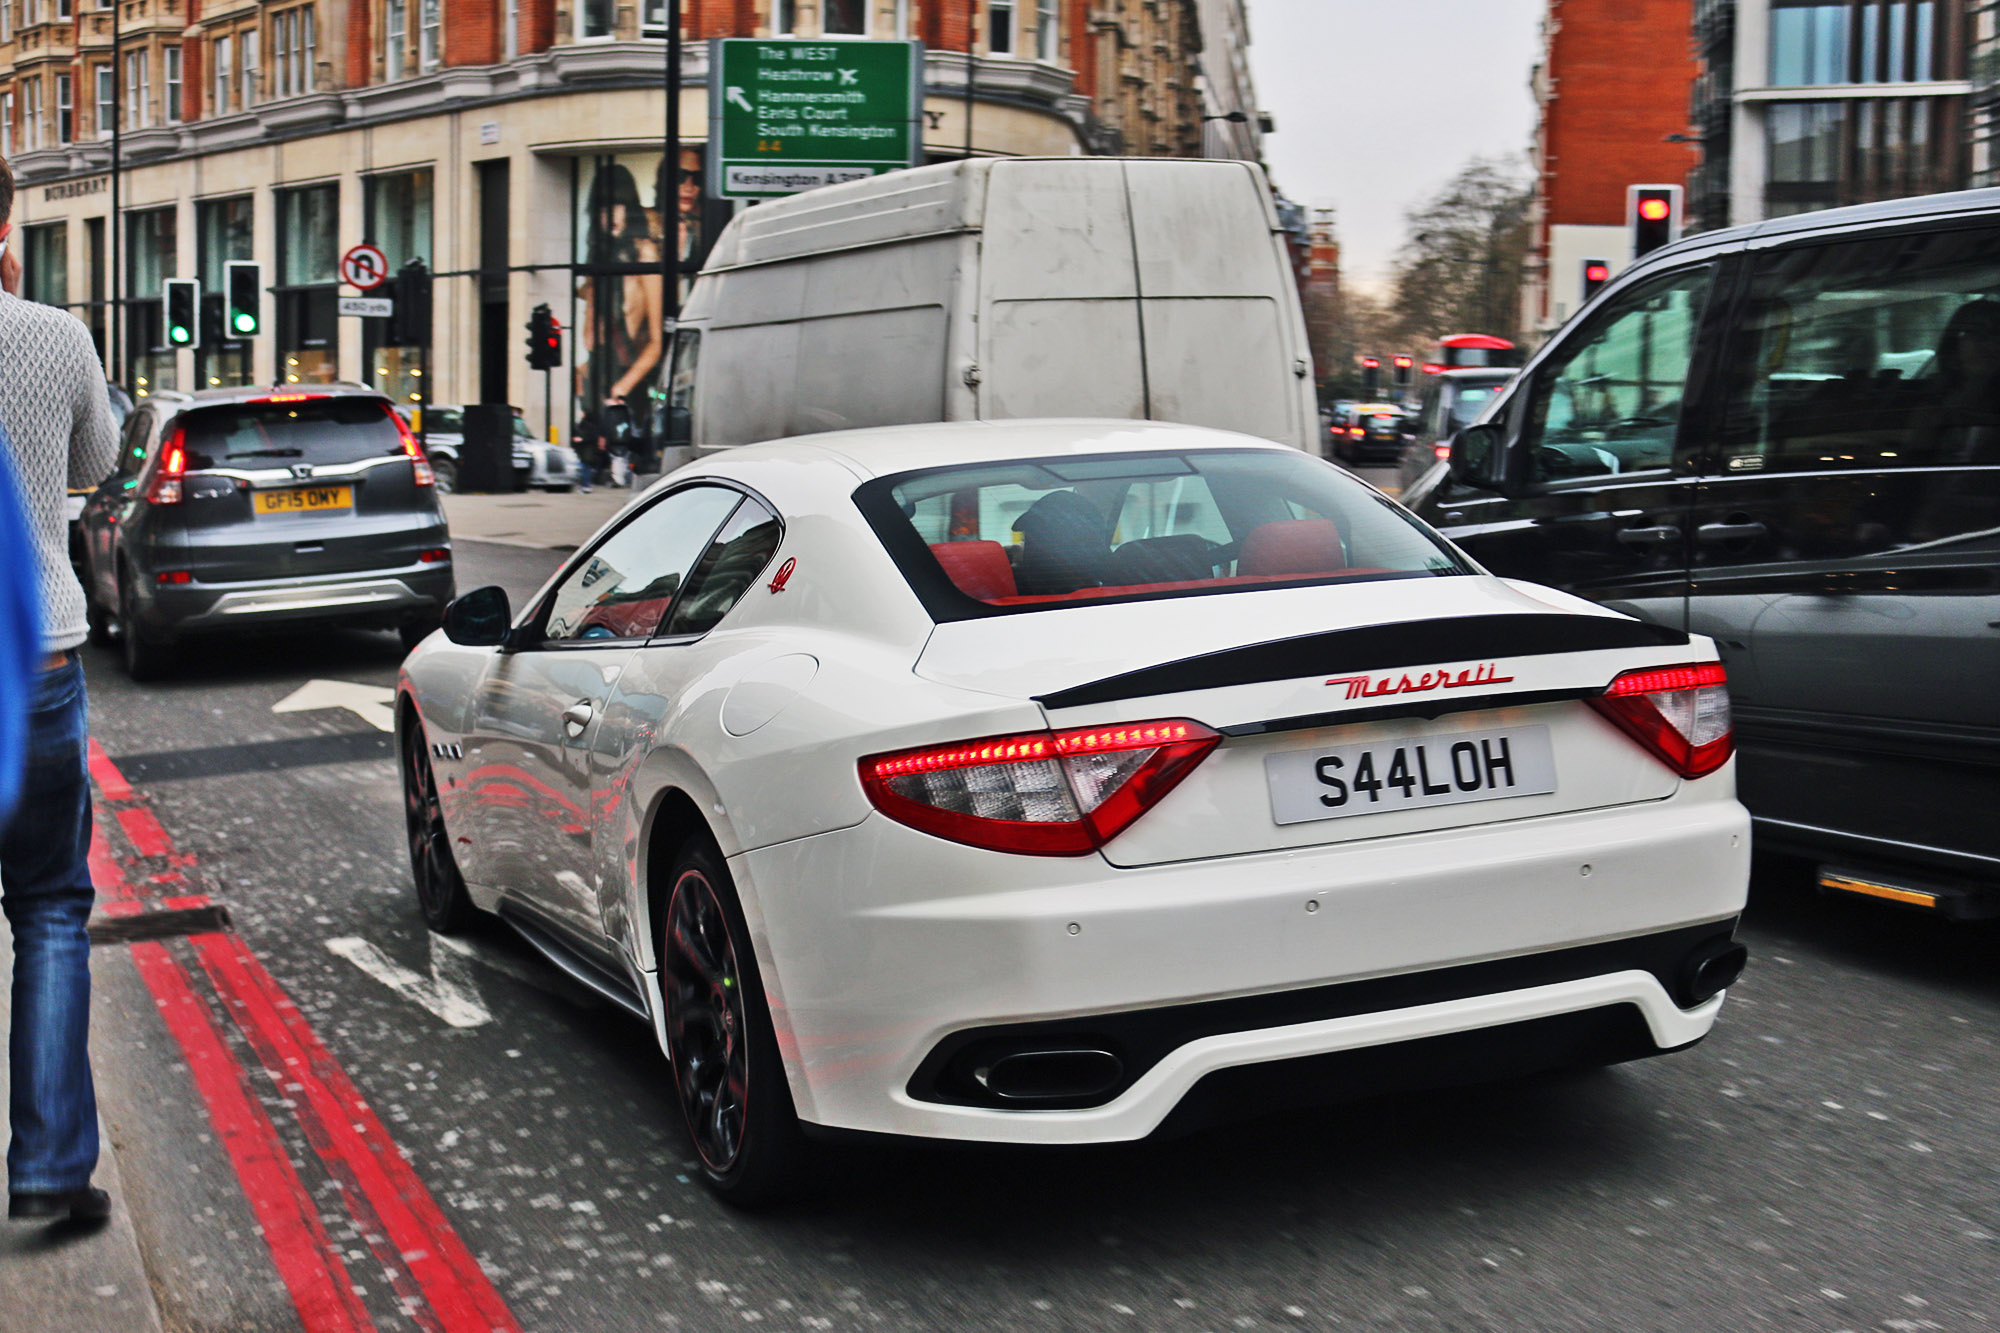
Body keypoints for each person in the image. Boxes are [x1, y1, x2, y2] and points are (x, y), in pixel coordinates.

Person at [0, 154, 122, 1224]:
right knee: (46, 910)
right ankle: (45, 1168)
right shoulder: (53, 334)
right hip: (34, 654)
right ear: (5, 231)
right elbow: (100, 454)